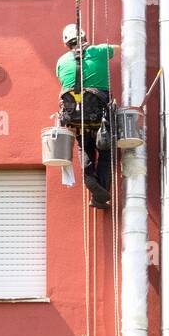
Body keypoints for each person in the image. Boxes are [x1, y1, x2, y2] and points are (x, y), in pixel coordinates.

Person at [56, 24, 118, 208]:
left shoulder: (61, 61)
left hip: (76, 117)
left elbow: (63, 82)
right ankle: (100, 196)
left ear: (66, 43)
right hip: (101, 116)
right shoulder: (98, 51)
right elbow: (119, 48)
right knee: (106, 153)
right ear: (83, 37)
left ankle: (90, 177)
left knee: (85, 146)